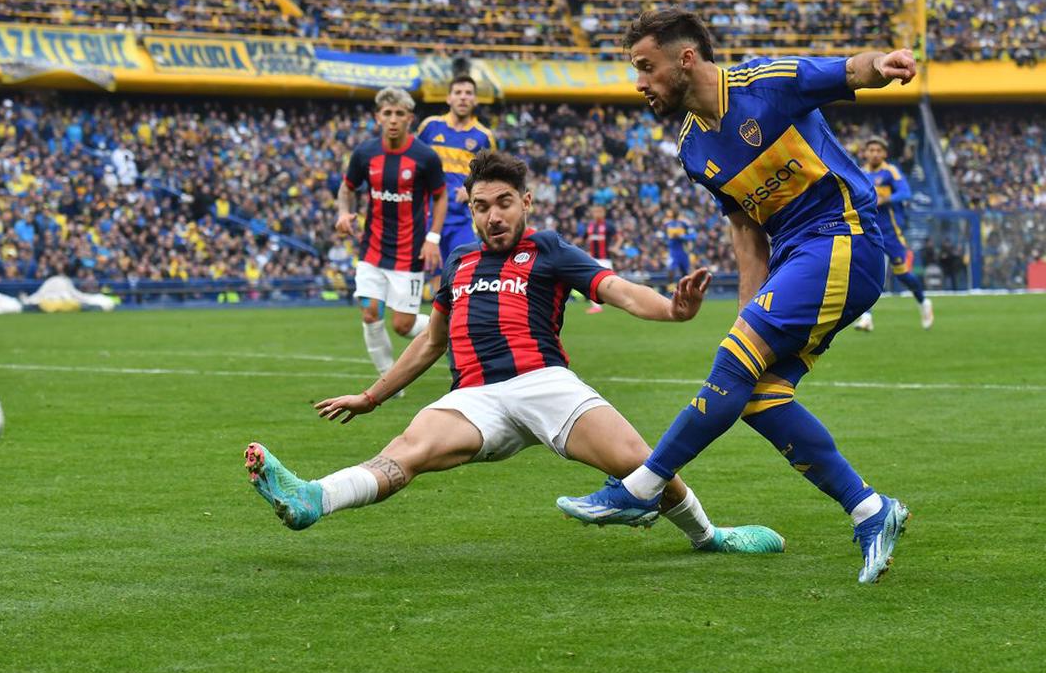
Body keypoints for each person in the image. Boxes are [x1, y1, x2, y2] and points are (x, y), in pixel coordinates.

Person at [245, 150, 785, 556]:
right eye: (482, 207)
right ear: (470, 210)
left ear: (525, 202)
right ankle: (312, 499)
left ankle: (708, 536)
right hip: (473, 397)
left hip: (543, 383)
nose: (494, 216)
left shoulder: (547, 248)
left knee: (638, 464)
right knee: (404, 452)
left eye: (504, 203)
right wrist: (371, 396)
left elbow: (616, 288)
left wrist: (673, 309)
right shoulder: (456, 262)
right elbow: (432, 341)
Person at [558, 8, 912, 584]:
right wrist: (751, 309)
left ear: (686, 58)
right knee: (757, 394)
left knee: (733, 361)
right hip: (797, 257)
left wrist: (884, 64)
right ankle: (872, 510)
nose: (639, 83)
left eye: (646, 68)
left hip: (846, 239)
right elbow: (747, 232)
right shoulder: (693, 149)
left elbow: (850, 70)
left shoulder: (765, 85)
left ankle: (642, 487)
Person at [338, 87, 448, 380]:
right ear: (378, 117)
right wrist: (342, 212)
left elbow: (440, 196)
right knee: (370, 312)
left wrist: (433, 238)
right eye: (387, 113)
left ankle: (456, 331)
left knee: (403, 325)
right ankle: (389, 380)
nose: (393, 119)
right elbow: (347, 188)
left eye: (400, 114)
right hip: (371, 249)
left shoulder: (425, 157)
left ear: (410, 118)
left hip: (409, 252)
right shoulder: (365, 153)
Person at [853, 136, 933, 332]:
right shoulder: (860, 173)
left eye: (878, 150)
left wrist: (886, 198)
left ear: (885, 153)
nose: (874, 154)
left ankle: (923, 302)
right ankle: (866, 317)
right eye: (871, 150)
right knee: (868, 273)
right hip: (869, 231)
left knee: (903, 275)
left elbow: (905, 193)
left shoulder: (891, 172)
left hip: (891, 232)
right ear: (865, 153)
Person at [416, 75, 496, 262]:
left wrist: (472, 191)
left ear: (475, 100)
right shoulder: (430, 126)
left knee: (462, 271)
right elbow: (413, 162)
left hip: (462, 219)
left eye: (468, 93)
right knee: (432, 273)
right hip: (428, 214)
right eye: (458, 92)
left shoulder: (484, 136)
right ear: (448, 98)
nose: (463, 97)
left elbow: (491, 177)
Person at [580, 203, 619, 313]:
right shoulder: (590, 226)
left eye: (599, 211)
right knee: (591, 282)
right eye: (595, 211)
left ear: (604, 213)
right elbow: (583, 239)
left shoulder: (608, 226)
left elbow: (619, 238)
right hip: (593, 259)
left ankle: (617, 301)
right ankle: (596, 307)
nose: (597, 214)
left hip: (605, 259)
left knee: (612, 282)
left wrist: (615, 247)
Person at [662, 207, 693, 291]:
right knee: (671, 269)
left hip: (683, 250)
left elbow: (693, 235)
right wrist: (667, 239)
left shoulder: (684, 223)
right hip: (673, 251)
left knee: (685, 272)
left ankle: (685, 289)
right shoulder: (667, 224)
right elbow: (663, 236)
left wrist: (682, 237)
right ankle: (671, 289)